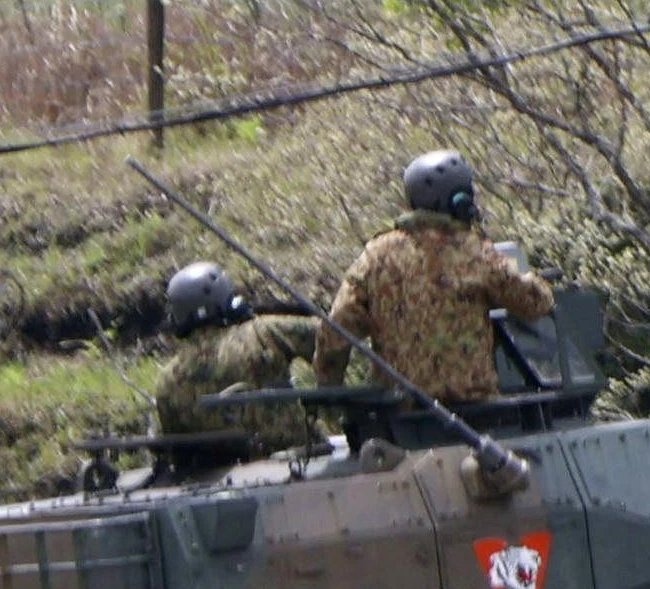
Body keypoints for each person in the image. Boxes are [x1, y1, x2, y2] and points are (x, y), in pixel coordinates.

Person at [317, 150, 555, 405]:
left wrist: (329, 389)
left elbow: (336, 328)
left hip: (399, 412)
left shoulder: (376, 255)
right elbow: (535, 303)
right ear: (459, 200)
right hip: (474, 410)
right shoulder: (474, 252)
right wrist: (537, 281)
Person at [153, 262, 328, 456]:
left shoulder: (166, 379)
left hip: (221, 470)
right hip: (295, 459)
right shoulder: (264, 332)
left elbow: (172, 446)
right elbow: (334, 337)